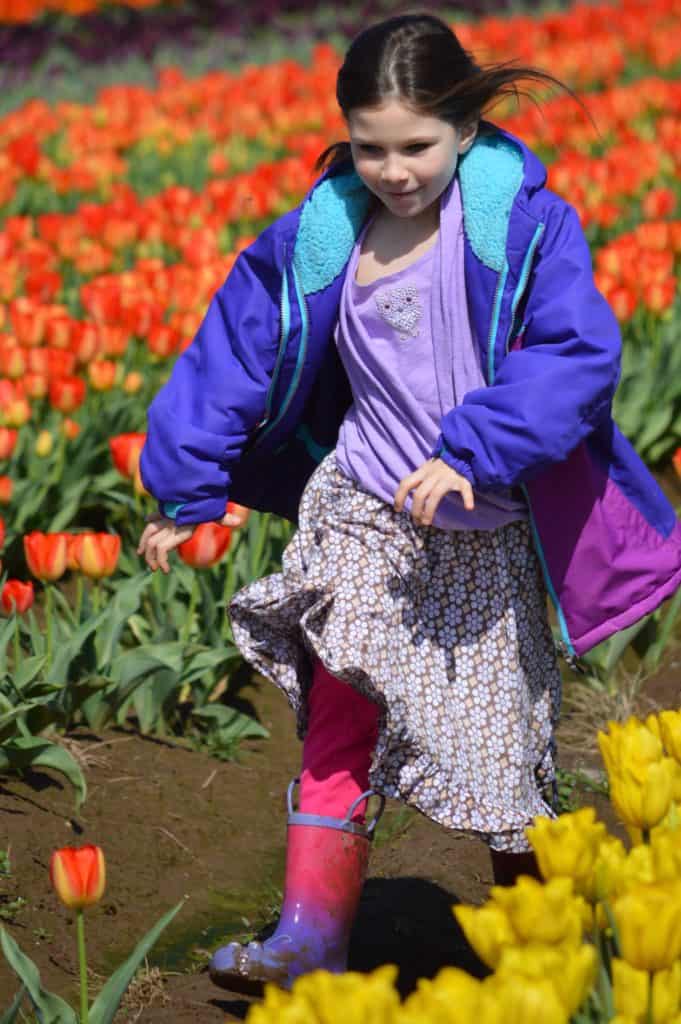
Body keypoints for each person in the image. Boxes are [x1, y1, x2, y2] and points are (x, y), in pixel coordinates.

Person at [137, 13, 681, 995]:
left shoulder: (521, 228)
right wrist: (188, 485)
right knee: (341, 713)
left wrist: (477, 449)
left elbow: (576, 357)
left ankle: (542, 934)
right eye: (370, 146)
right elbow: (233, 349)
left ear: (465, 128)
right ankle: (309, 933)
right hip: (360, 511)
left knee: (501, 757)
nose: (393, 169)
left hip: (483, 528)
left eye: (417, 146)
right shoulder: (323, 235)